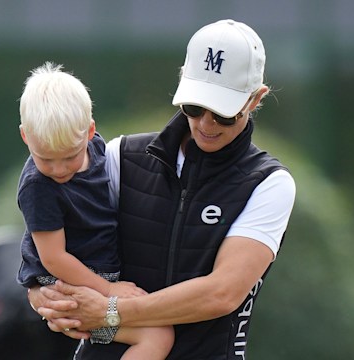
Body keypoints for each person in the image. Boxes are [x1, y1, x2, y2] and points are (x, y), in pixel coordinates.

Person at [28, 19, 296, 359]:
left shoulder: (269, 183)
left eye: (224, 113)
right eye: (195, 107)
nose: (205, 124)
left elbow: (221, 293)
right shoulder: (119, 156)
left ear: (256, 99)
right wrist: (42, 292)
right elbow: (49, 238)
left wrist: (111, 310)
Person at [17, 62, 174, 359]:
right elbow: (53, 258)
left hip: (97, 276)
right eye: (45, 159)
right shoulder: (38, 187)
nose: (59, 170)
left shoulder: (101, 150)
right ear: (26, 137)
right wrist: (108, 290)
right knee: (156, 335)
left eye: (69, 157)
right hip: (64, 286)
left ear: (90, 132)